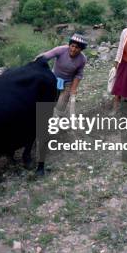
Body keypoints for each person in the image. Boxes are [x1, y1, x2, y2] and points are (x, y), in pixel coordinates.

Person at [35, 33, 87, 175]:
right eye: (72, 45)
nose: (73, 49)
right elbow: (45, 56)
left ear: (81, 50)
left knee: (59, 109)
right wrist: (34, 64)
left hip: (67, 85)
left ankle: (51, 133)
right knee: (46, 107)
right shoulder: (61, 50)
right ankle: (43, 132)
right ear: (69, 45)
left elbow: (79, 75)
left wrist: (74, 91)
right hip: (52, 81)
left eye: (77, 48)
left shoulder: (82, 59)